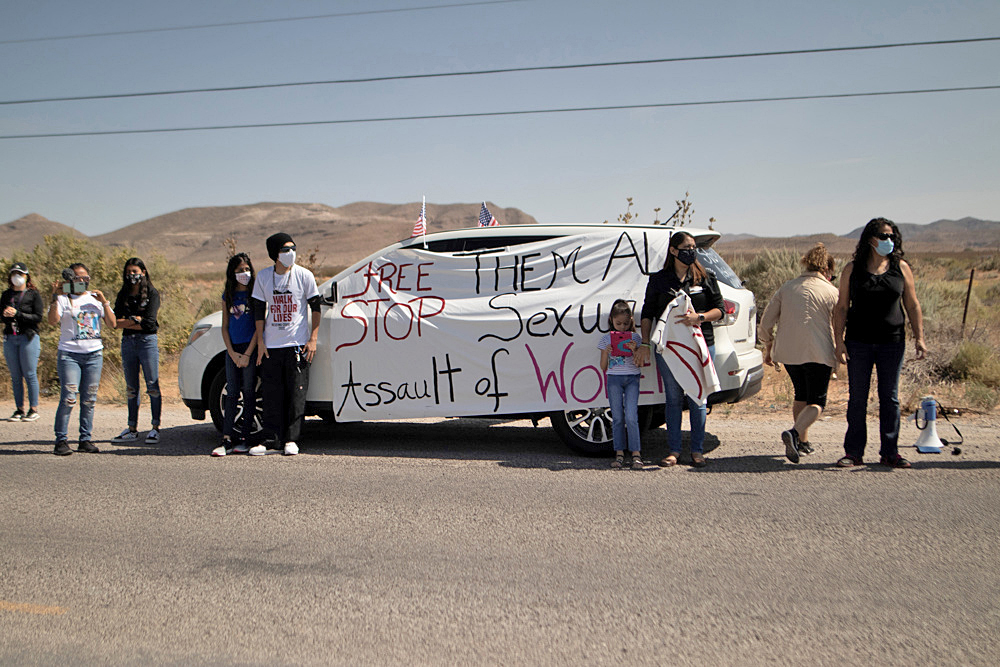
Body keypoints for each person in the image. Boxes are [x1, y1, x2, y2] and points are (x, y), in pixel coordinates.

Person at [833, 218, 927, 469]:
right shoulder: (852, 269)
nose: (889, 241)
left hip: (891, 342)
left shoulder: (901, 268)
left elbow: (912, 304)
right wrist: (839, 341)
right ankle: (854, 452)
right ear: (871, 239)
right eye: (884, 236)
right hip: (858, 342)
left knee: (890, 398)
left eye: (892, 236)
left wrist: (919, 337)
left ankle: (890, 452)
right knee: (857, 398)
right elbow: (841, 307)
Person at [635, 231, 725, 468]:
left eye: (694, 247)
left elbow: (720, 310)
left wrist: (699, 317)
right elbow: (648, 313)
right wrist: (645, 343)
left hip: (701, 346)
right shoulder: (659, 280)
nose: (691, 251)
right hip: (669, 349)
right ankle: (674, 450)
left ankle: (697, 450)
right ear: (673, 251)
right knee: (673, 398)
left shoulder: (705, 277)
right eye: (686, 247)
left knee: (698, 397)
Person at [758, 244, 839, 463]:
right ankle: (794, 433)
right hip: (819, 352)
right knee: (817, 402)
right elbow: (839, 324)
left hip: (789, 352)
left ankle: (803, 442)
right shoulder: (832, 292)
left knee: (801, 394)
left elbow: (766, 322)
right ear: (827, 269)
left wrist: (768, 344)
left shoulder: (787, 287)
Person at [250, 233, 320, 456]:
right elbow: (258, 311)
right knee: (272, 395)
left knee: (296, 395)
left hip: (297, 345)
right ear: (274, 254)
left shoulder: (304, 275)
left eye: (293, 248)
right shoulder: (263, 277)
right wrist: (261, 342)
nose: (291, 253)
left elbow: (316, 307)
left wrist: (313, 339)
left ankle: (291, 439)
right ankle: (271, 439)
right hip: (272, 346)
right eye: (285, 249)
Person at [48, 263, 116, 455]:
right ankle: (61, 440)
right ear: (69, 279)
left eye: (86, 277)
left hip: (94, 354)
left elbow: (112, 324)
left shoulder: (94, 298)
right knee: (69, 397)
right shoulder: (63, 299)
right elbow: (52, 321)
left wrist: (104, 302)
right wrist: (54, 297)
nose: (82, 281)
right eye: (78, 277)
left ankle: (85, 439)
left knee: (89, 399)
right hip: (70, 354)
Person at [111, 258, 162, 444]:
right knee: (131, 388)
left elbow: (150, 323)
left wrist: (129, 321)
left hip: (147, 342)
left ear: (143, 272)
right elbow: (114, 322)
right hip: (128, 342)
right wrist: (136, 320)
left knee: (152, 385)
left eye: (135, 271)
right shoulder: (123, 294)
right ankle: (132, 428)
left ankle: (155, 428)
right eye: (128, 272)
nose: (132, 275)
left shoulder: (152, 294)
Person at [213, 253, 259, 457]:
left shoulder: (255, 294)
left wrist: (247, 354)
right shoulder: (228, 295)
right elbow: (225, 326)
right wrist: (232, 353)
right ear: (232, 273)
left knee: (249, 392)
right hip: (233, 350)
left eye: (247, 269)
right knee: (232, 393)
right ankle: (226, 439)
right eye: (240, 270)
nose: (244, 273)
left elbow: (258, 327)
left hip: (250, 349)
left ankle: (245, 438)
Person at [598, 299, 644, 469]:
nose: (622, 328)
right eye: (618, 324)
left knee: (631, 416)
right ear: (611, 320)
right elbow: (603, 367)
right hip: (614, 379)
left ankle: (636, 453)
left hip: (632, 378)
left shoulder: (635, 338)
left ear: (631, 321)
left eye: (625, 324)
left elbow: (640, 363)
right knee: (617, 417)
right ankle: (619, 453)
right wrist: (606, 352)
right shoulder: (606, 339)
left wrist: (634, 350)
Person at [3, 262, 44, 422]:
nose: (17, 277)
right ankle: (19, 409)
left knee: (29, 373)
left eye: (20, 274)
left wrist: (18, 314)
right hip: (10, 338)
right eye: (14, 274)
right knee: (15, 375)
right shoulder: (6, 295)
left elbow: (38, 317)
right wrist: (5, 314)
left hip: (28, 337)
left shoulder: (33, 294)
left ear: (27, 276)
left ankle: (33, 409)